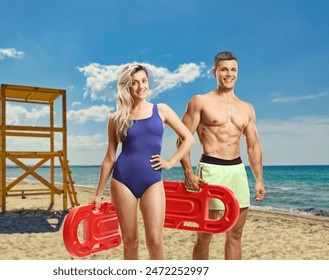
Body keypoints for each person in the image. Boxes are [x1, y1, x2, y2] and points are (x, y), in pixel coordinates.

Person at [93, 63, 195, 260]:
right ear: (126, 86)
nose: (141, 86)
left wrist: (170, 162)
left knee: (155, 242)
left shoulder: (161, 110)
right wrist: (98, 193)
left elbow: (188, 138)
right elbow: (109, 157)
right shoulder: (116, 118)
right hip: (122, 181)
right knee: (130, 242)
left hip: (152, 180)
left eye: (144, 81)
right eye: (134, 83)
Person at [178, 51, 265, 260]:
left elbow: (253, 145)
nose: (229, 74)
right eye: (224, 69)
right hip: (211, 169)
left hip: (237, 171)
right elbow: (183, 139)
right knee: (206, 234)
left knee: (235, 234)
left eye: (233, 69)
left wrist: (259, 179)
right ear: (214, 71)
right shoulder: (200, 102)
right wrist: (188, 172)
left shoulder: (247, 108)